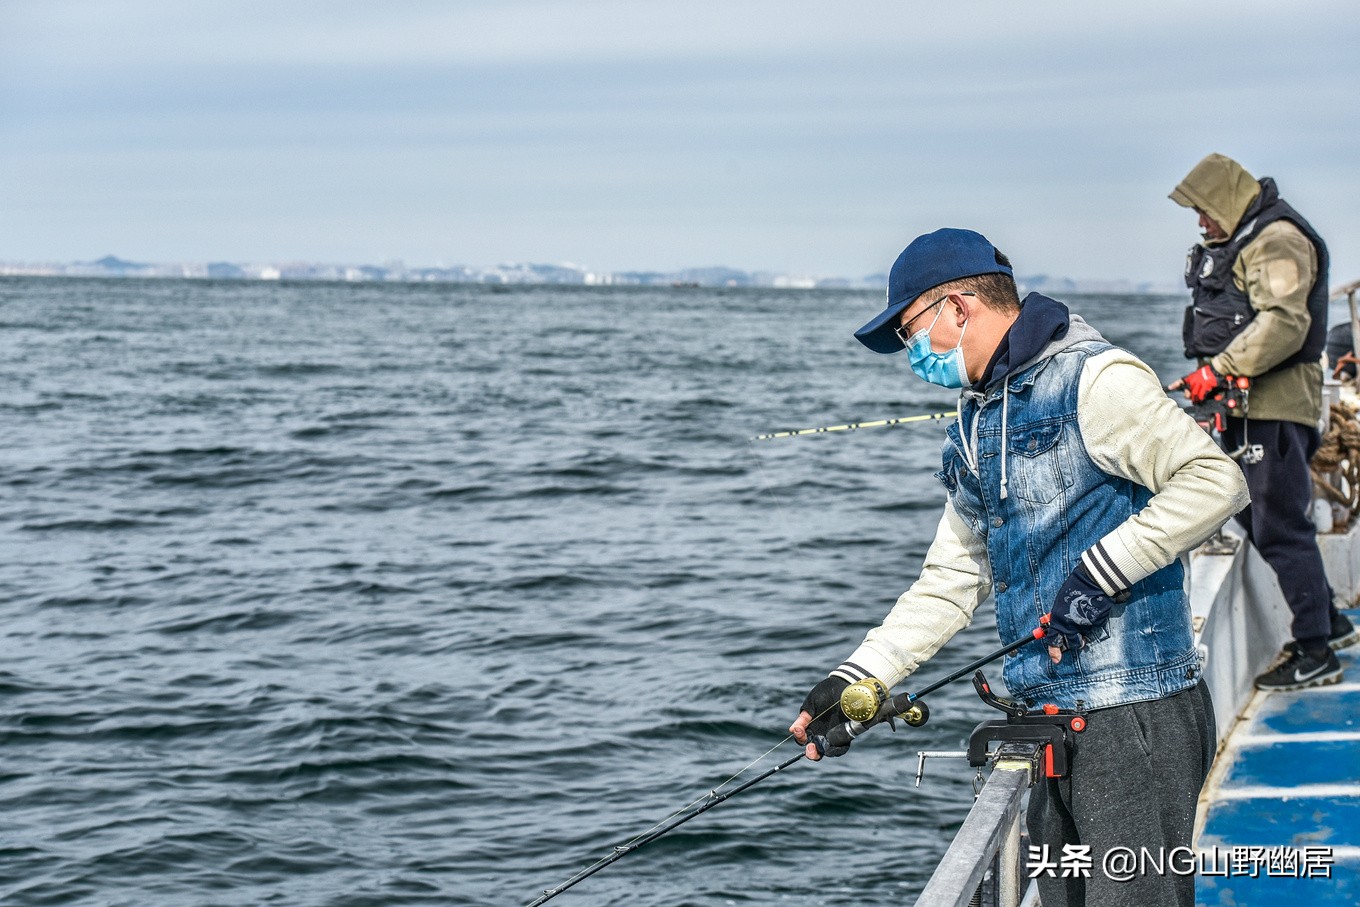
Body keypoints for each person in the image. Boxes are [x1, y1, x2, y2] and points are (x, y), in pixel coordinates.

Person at [788, 228, 1249, 907]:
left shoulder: (1099, 378)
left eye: (914, 332)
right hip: (1046, 721)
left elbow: (1215, 481)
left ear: (960, 307)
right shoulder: (976, 422)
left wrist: (1101, 570)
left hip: (1135, 715)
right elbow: (952, 577)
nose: (914, 356)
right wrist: (860, 677)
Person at [1169, 153, 1358, 688]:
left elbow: (1284, 323)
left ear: (1227, 200)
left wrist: (1219, 371)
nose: (1201, 223)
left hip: (1272, 407)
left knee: (1279, 524)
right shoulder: (1250, 237)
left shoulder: (1277, 240)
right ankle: (1330, 621)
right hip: (1247, 406)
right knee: (1254, 517)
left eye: (1204, 211)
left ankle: (1316, 650)